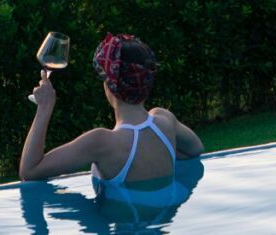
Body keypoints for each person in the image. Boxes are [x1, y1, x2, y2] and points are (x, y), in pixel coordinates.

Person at [19, 33, 203, 208]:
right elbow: (196, 149)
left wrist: (44, 108)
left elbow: (29, 172)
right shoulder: (165, 121)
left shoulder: (101, 142)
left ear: (109, 86)